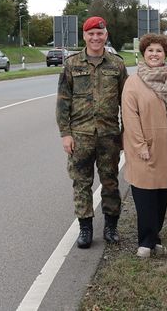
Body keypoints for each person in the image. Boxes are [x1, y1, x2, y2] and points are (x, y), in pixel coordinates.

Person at [56, 16, 128, 249]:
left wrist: (125, 132)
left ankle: (111, 227)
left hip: (109, 136)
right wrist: (65, 133)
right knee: (81, 183)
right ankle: (85, 229)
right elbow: (63, 102)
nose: (95, 38)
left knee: (110, 182)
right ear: (84, 36)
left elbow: (126, 102)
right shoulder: (71, 64)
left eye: (100, 33)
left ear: (106, 35)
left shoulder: (117, 65)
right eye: (91, 34)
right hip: (80, 136)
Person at [121, 33, 167, 258]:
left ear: (165, 55)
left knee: (162, 194)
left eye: (159, 51)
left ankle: (155, 237)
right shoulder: (133, 82)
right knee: (144, 197)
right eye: (150, 50)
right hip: (144, 148)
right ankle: (145, 241)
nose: (154, 54)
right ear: (144, 53)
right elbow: (130, 117)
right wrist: (140, 145)